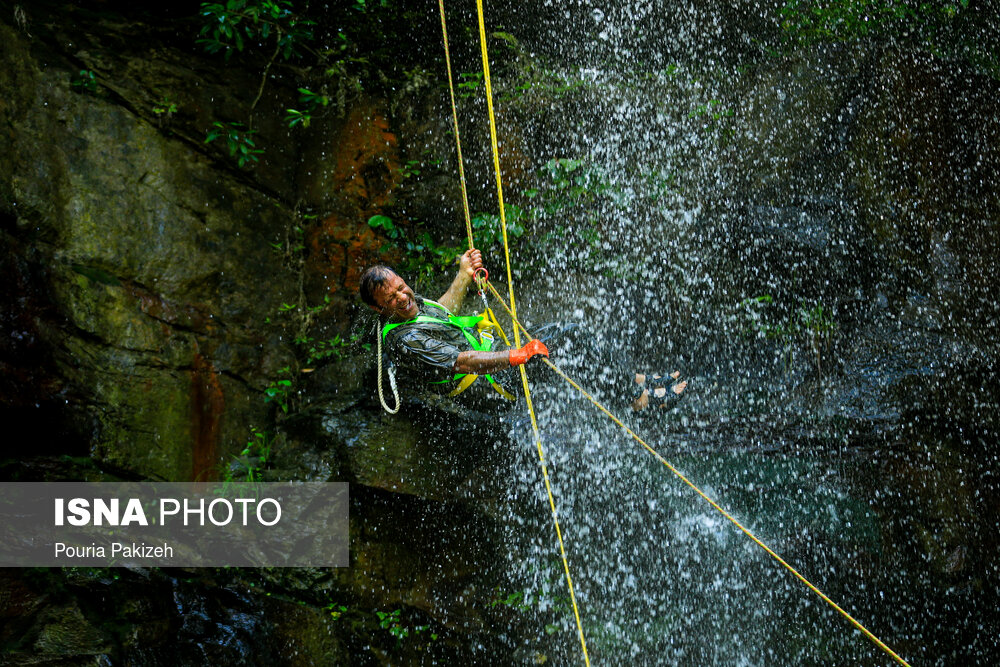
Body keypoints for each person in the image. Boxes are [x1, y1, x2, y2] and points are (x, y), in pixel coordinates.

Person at [359, 249, 686, 412]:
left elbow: (443, 310)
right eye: (392, 297)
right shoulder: (406, 340)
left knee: (565, 334)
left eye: (402, 288)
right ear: (378, 308)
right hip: (490, 384)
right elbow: (463, 362)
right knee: (564, 346)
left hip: (493, 363)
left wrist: (463, 274)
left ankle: (635, 381)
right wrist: (519, 355)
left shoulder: (412, 310)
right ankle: (639, 401)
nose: (404, 298)